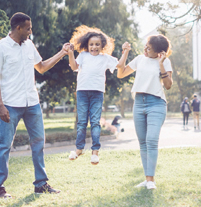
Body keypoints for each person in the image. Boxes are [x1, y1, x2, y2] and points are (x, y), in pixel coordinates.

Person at [0, 12, 70, 198]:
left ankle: (41, 184)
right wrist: (0, 105)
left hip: (32, 103)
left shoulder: (29, 45)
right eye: (28, 28)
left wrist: (62, 52)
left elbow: (41, 67)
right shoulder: (0, 47)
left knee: (38, 143)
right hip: (10, 104)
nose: (30, 31)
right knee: (4, 145)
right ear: (18, 28)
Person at [67, 25, 129, 165]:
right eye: (91, 44)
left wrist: (125, 52)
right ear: (87, 45)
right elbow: (74, 67)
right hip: (82, 92)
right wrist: (70, 53)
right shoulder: (83, 55)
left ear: (102, 46)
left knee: (95, 122)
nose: (94, 47)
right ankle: (79, 149)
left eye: (97, 44)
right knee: (82, 122)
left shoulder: (105, 58)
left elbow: (119, 64)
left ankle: (95, 152)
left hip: (97, 93)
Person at [117, 34, 173, 189]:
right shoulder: (140, 59)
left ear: (159, 52)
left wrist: (161, 65)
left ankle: (151, 181)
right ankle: (148, 179)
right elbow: (120, 74)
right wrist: (125, 52)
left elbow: (168, 85)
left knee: (151, 140)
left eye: (149, 48)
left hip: (156, 103)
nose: (145, 49)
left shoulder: (165, 61)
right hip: (139, 104)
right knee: (143, 143)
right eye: (146, 46)